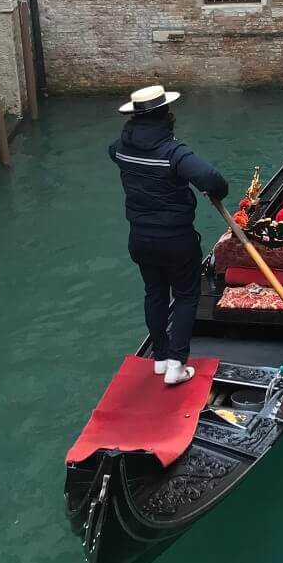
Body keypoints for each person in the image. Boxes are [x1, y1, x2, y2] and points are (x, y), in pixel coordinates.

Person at [110, 84, 228, 386]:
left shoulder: (121, 149)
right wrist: (211, 190)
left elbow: (115, 153)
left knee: (155, 293)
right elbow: (213, 179)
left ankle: (160, 360)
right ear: (165, 115)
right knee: (187, 296)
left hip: (139, 239)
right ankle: (177, 364)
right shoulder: (173, 152)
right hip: (175, 239)